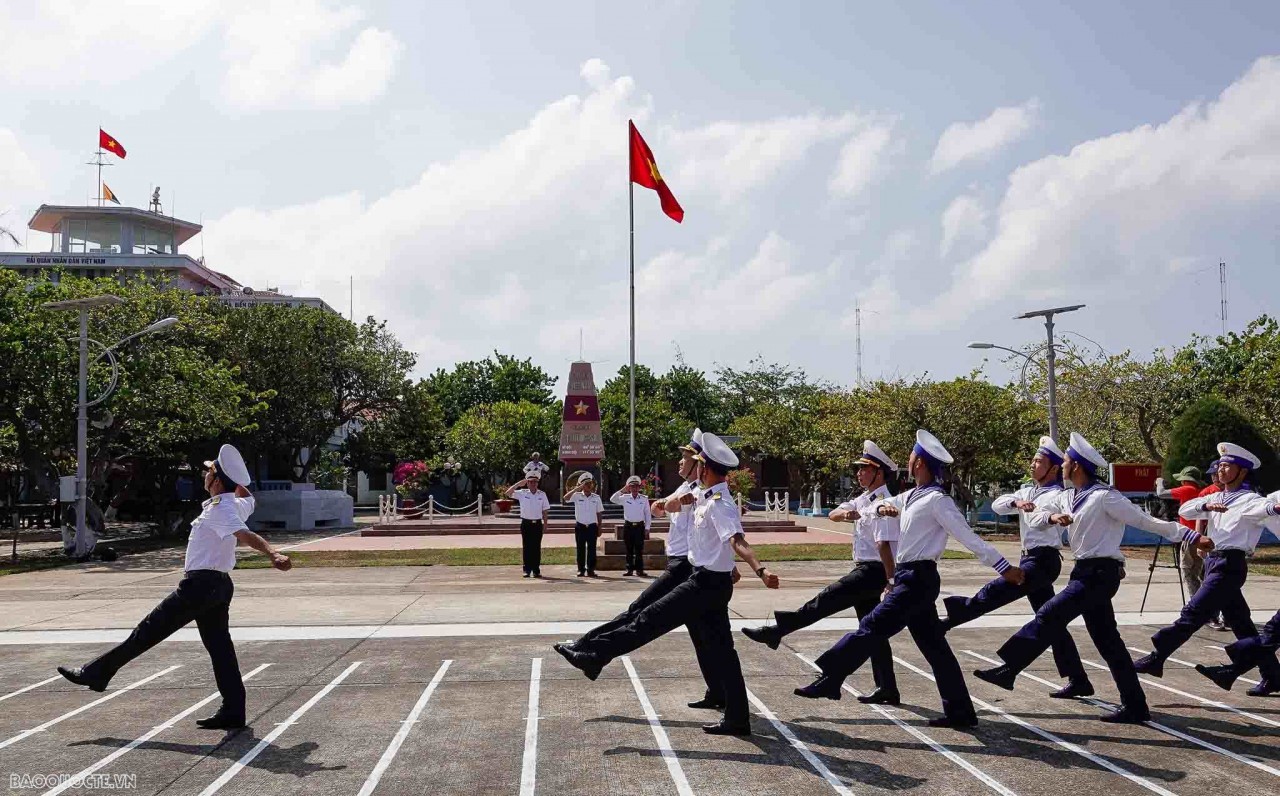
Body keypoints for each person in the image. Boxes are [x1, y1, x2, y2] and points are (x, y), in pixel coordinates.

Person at [974, 432, 1212, 723]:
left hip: (1100, 574)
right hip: (1083, 570)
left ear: (1076, 466)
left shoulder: (1104, 497)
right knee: (1108, 641)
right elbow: (1036, 515)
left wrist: (1191, 535)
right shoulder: (1068, 496)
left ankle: (1009, 668)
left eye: (1065, 462)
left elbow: (1147, 522)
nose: (1061, 466)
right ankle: (1135, 705)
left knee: (1050, 613)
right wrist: (1049, 518)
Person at [795, 430, 1024, 730]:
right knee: (934, 648)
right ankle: (961, 712)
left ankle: (831, 677)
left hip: (918, 579)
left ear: (920, 464)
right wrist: (882, 507)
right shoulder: (911, 496)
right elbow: (875, 506)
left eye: (913, 456)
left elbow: (968, 538)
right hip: (909, 577)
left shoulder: (937, 500)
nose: (909, 459)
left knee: (872, 626)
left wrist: (1004, 567)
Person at [555, 433, 781, 736]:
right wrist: (675, 502)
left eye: (698, 464)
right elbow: (669, 509)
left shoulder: (721, 503)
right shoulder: (706, 495)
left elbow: (737, 540)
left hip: (704, 584)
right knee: (722, 650)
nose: (695, 468)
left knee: (649, 619)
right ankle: (737, 717)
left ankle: (595, 655)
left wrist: (760, 569)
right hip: (708, 582)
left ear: (706, 468)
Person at [57, 445, 292, 730]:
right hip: (217, 586)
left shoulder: (222, 509)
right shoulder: (234, 504)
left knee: (146, 631)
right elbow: (248, 498)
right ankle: (233, 710)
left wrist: (272, 553)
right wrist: (234, 480)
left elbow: (245, 534)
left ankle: (95, 673)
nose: (205, 475)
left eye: (210, 472)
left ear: (216, 481)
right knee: (220, 649)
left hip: (200, 586)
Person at [559, 429, 726, 710]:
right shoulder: (687, 489)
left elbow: (726, 527)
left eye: (685, 459)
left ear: (699, 464)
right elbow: (660, 507)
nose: (679, 464)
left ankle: (590, 650)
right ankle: (718, 692)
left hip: (687, 567)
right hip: (681, 564)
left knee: (642, 616)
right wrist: (670, 502)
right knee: (703, 636)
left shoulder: (707, 493)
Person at [741, 440, 900, 705]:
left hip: (873, 572)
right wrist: (851, 514)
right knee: (872, 632)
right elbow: (834, 515)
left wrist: (891, 580)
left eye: (864, 469)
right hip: (865, 569)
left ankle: (778, 631)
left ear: (879, 473)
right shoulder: (864, 499)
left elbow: (885, 545)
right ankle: (887, 687)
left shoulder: (885, 502)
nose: (858, 473)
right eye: (858, 469)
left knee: (824, 601)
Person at [939, 436, 1094, 699]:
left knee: (998, 590)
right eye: (1033, 460)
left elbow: (1051, 517)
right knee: (1050, 622)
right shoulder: (1026, 492)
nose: (1033, 465)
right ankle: (1077, 678)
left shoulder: (1059, 495)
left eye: (1039, 461)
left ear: (1054, 468)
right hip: (1029, 558)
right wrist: (1016, 502)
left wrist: (1054, 516)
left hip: (1044, 561)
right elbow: (1000, 506)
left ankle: (956, 616)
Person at [1132, 443, 1280, 694]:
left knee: (1193, 612)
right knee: (1241, 624)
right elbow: (1185, 508)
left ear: (1242, 472)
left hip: (1229, 565)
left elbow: (1267, 508)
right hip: (1213, 562)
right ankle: (1273, 676)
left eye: (1227, 466)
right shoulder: (1213, 497)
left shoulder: (1250, 499)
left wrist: (1274, 507)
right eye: (1220, 465)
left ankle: (1158, 656)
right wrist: (1206, 506)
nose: (1221, 470)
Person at [506, 473, 550, 578]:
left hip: (537, 523)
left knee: (536, 547)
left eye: (535, 482)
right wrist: (518, 484)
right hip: (526, 523)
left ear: (537, 483)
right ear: (527, 483)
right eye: (530, 482)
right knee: (527, 547)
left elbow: (545, 511)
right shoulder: (522, 493)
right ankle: (527, 570)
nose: (533, 484)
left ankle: (536, 570)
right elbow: (508, 493)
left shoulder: (542, 494)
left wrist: (545, 524)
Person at [564, 473, 604, 577]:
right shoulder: (577, 496)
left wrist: (600, 527)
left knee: (592, 549)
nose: (588, 486)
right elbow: (565, 498)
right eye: (586, 484)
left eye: (590, 483)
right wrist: (577, 488)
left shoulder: (596, 497)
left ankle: (591, 570)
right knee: (580, 549)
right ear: (582, 485)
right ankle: (581, 569)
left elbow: (599, 513)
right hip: (580, 526)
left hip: (592, 526)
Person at [611, 475, 652, 576]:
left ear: (639, 488)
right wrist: (623, 489)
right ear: (629, 488)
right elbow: (613, 499)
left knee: (639, 549)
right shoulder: (625, 498)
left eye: (636, 487)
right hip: (628, 526)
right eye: (632, 487)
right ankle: (629, 569)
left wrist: (647, 528)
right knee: (629, 549)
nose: (634, 489)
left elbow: (647, 513)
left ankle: (639, 570)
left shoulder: (644, 498)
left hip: (639, 526)